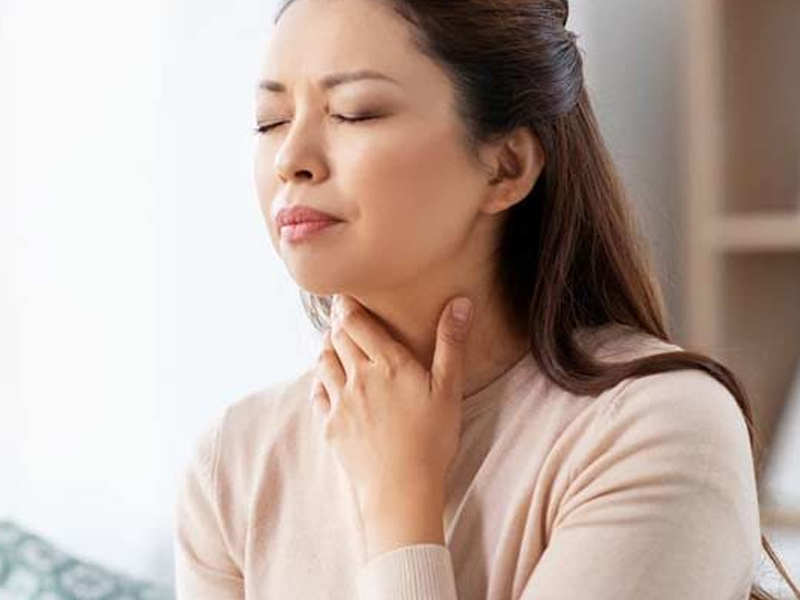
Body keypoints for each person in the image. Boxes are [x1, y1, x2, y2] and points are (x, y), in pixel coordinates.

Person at [173, 0, 800, 598]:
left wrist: (399, 497)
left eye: (355, 112)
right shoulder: (235, 464)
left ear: (506, 166)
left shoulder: (655, 429)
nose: (292, 159)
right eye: (271, 121)